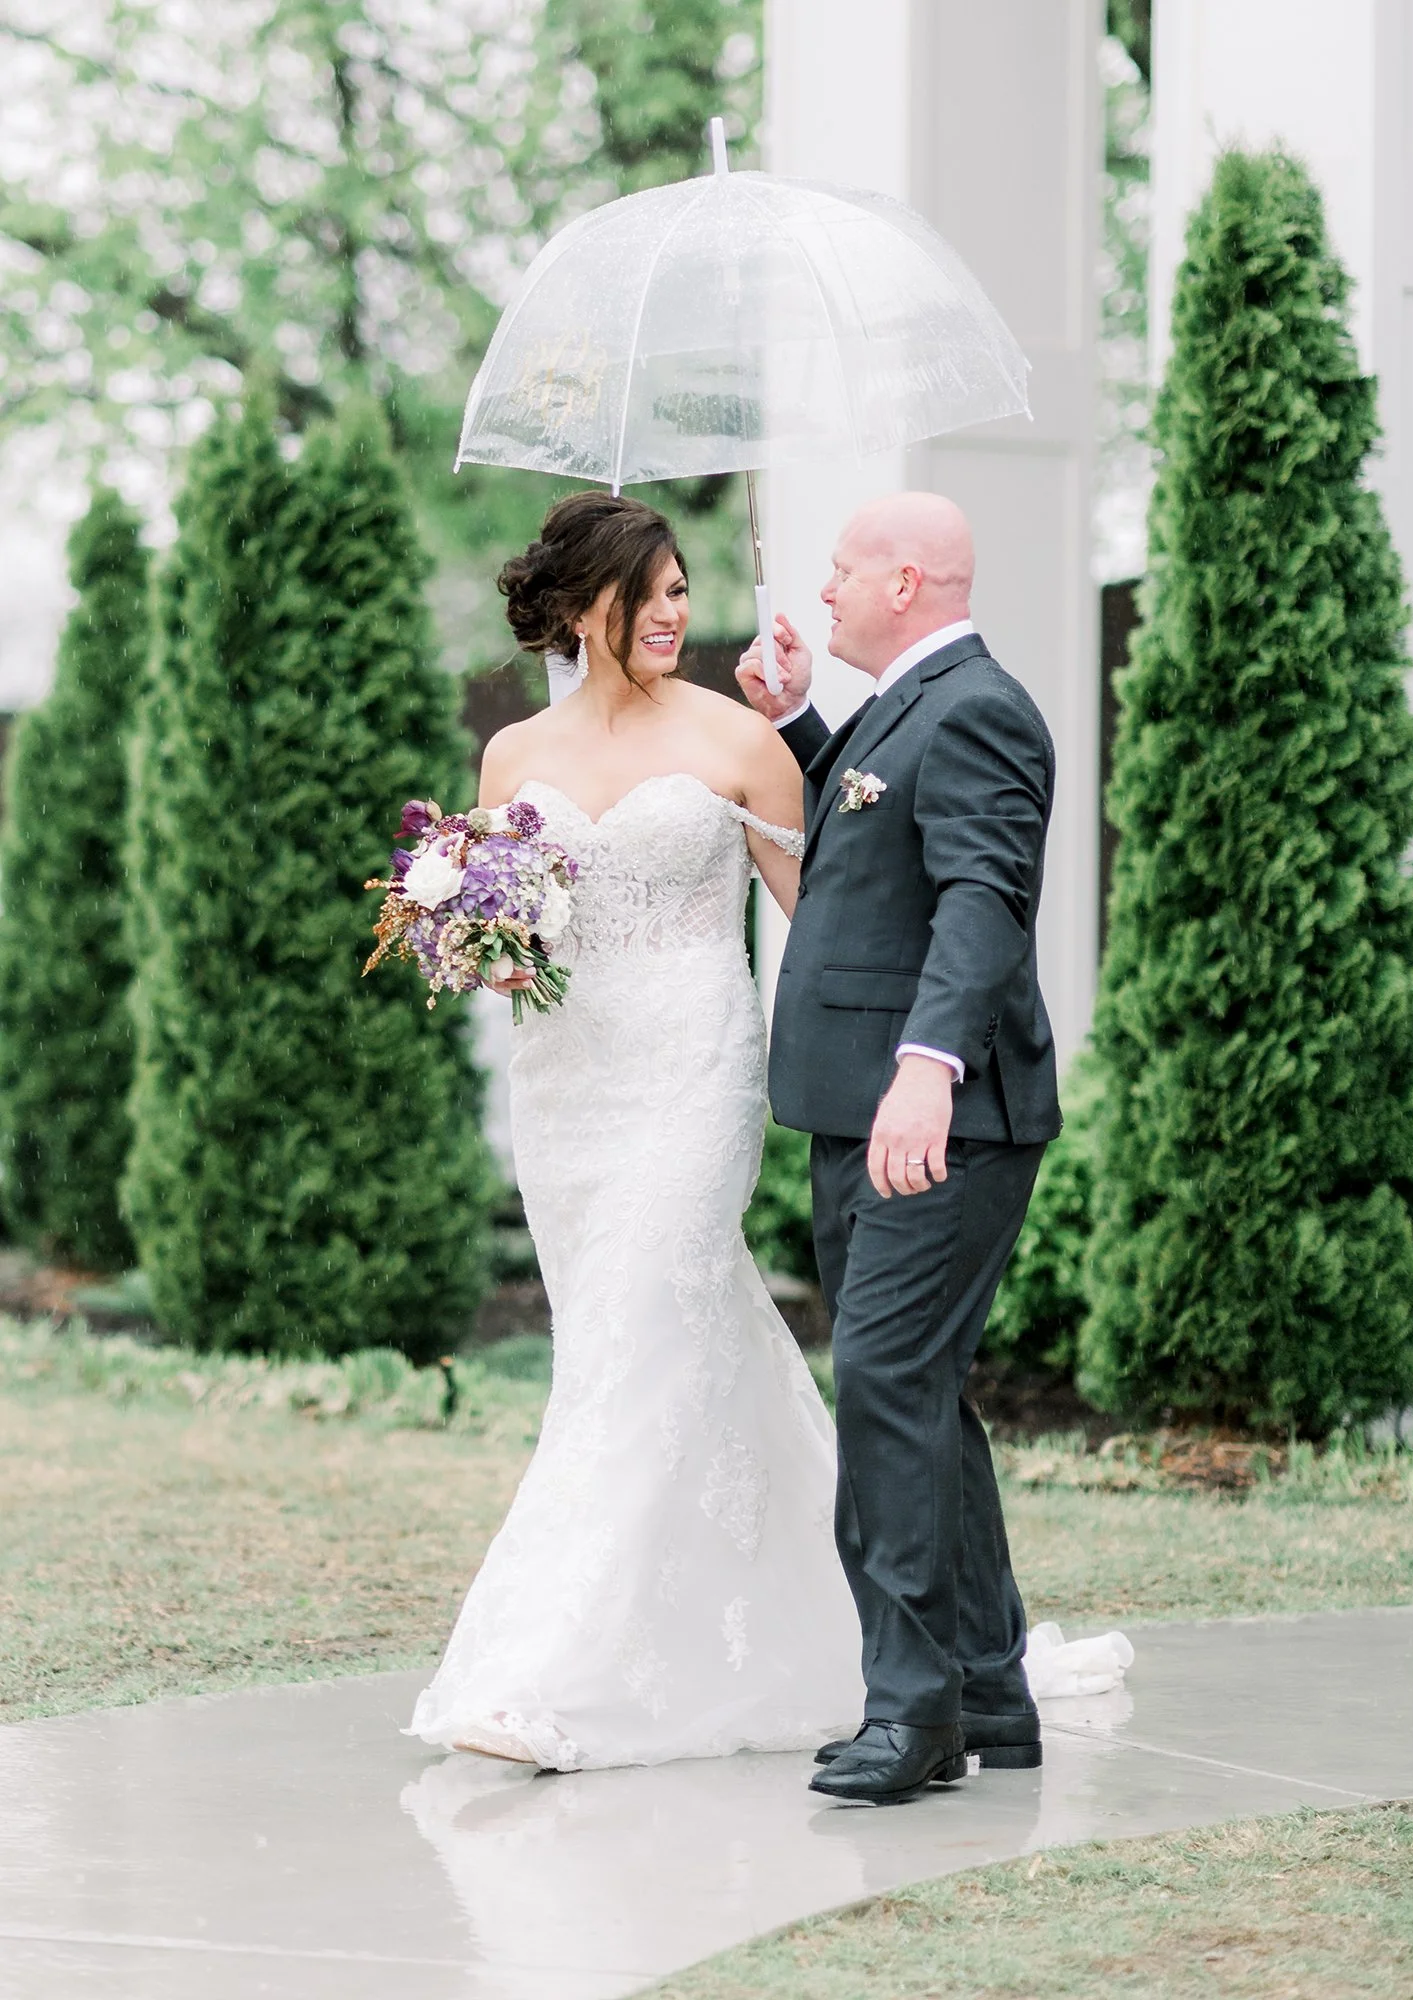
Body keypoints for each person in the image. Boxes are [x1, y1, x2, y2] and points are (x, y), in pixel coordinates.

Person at [407, 490, 864, 1771]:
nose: (676, 612)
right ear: (581, 606)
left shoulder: (736, 739)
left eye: (680, 589)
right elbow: (497, 917)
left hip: (691, 1074)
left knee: (647, 1331)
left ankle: (545, 1674)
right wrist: (477, 945)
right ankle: (830, 1618)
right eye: (652, 591)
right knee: (630, 1346)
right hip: (564, 1092)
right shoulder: (510, 757)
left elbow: (823, 919)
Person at [737, 492, 1062, 1806]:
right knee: (916, 1392)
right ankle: (987, 1690)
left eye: (840, 573)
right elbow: (872, 843)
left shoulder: (979, 708)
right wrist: (802, 720)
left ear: (905, 581)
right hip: (864, 1111)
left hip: (932, 1122)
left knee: (879, 1384)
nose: (823, 591)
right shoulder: (900, 708)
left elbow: (982, 898)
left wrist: (925, 1070)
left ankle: (911, 1712)